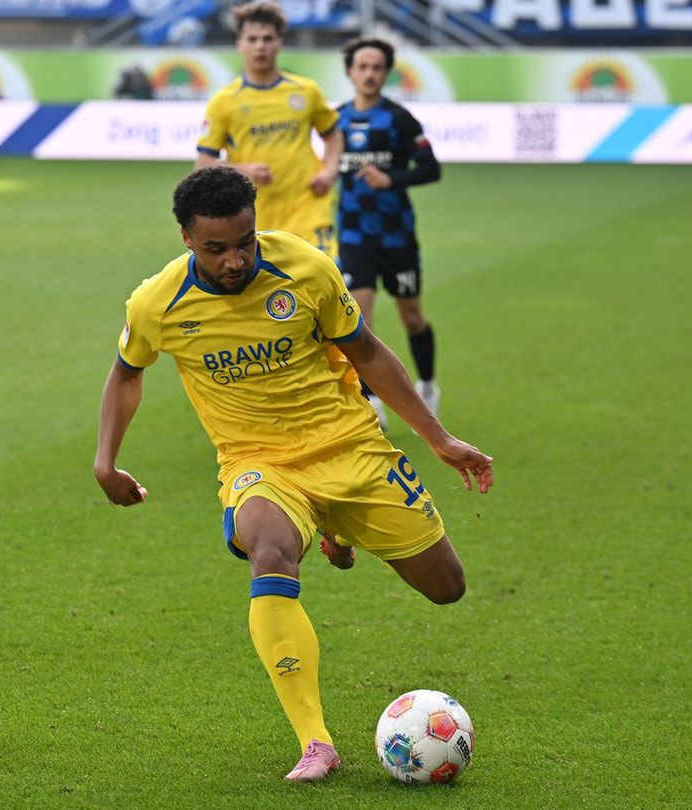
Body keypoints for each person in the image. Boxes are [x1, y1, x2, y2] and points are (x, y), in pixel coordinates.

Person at [94, 166, 492, 782]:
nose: (234, 260)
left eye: (245, 242)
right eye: (215, 249)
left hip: (350, 444)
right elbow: (126, 374)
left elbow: (366, 351)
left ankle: (339, 525)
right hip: (259, 463)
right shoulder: (157, 303)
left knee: (447, 587)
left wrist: (437, 437)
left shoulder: (305, 267)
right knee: (270, 552)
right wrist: (106, 460)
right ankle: (315, 741)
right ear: (186, 239)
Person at [336, 38, 443, 426]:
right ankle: (371, 400)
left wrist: (391, 178)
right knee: (359, 323)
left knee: (411, 317)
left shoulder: (399, 119)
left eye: (377, 67)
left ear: (386, 72)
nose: (369, 74)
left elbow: (431, 169)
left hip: (396, 236)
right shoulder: (335, 121)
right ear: (350, 72)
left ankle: (427, 384)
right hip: (353, 236)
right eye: (362, 67)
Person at [194, 1, 343, 256]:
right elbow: (203, 164)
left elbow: (333, 136)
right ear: (239, 45)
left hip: (309, 211)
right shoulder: (224, 101)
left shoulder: (305, 91)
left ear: (279, 43)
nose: (260, 46)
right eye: (252, 39)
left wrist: (329, 171)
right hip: (254, 218)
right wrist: (243, 170)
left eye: (267, 38)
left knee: (327, 275)